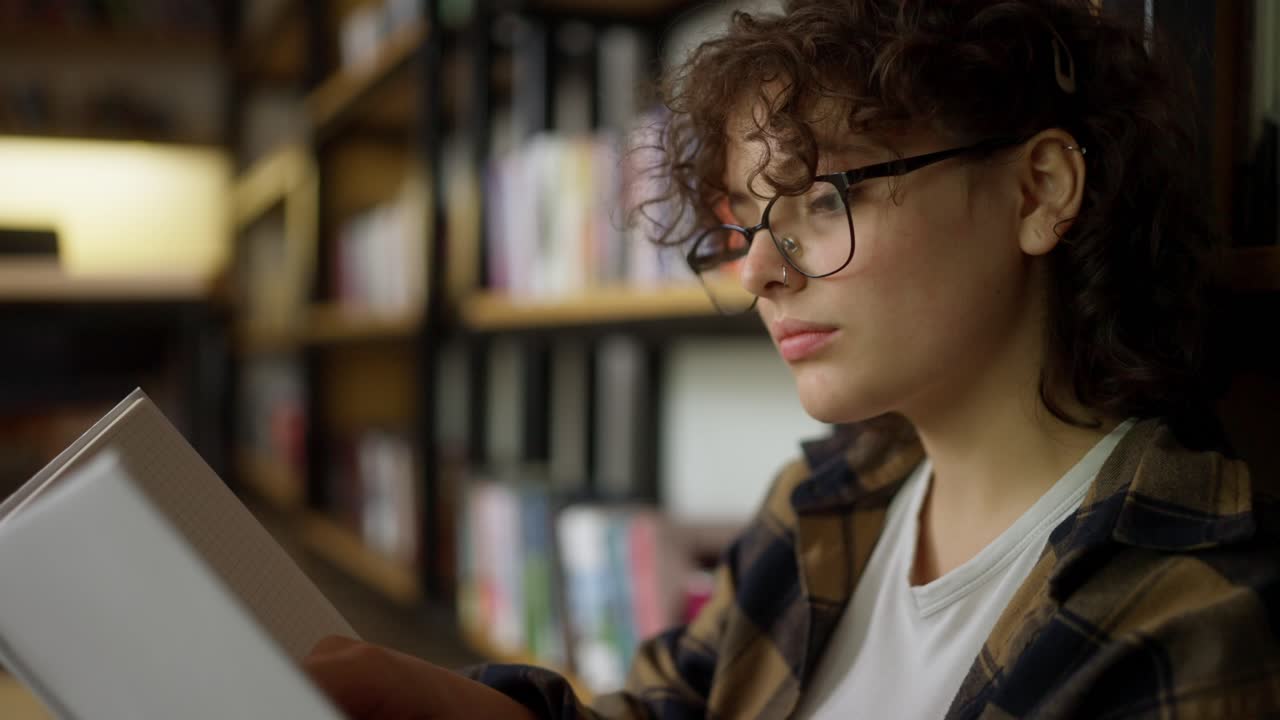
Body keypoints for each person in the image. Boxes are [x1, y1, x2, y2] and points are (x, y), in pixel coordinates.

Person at [305, 0, 1280, 717]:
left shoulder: (1181, 616)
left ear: (1035, 191)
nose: (758, 274)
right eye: (745, 224)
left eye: (823, 199)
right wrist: (398, 692)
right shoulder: (821, 503)